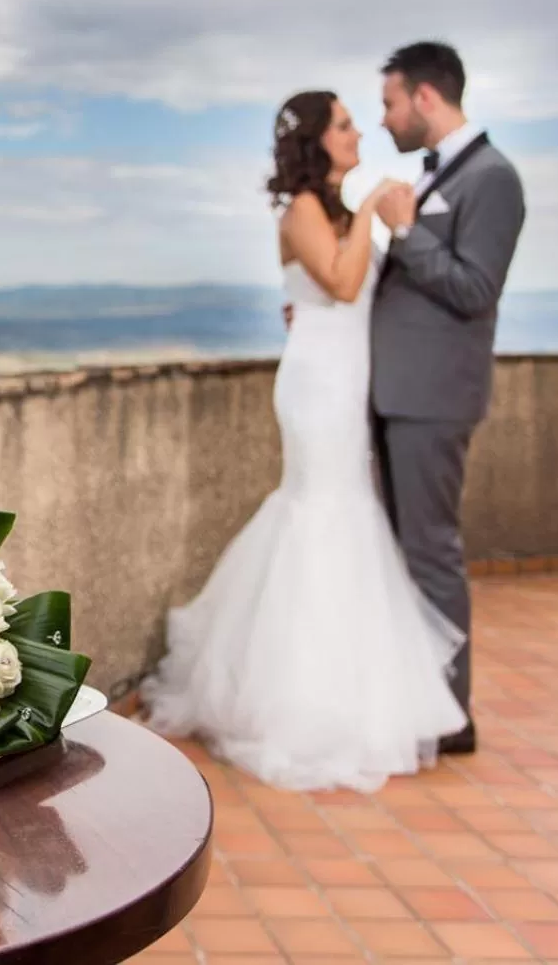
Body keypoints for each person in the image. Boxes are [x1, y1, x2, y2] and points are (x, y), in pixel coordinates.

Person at [140, 87, 468, 794]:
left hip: (348, 379)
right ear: (316, 139)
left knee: (346, 511)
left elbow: (350, 291)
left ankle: (347, 690)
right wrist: (377, 203)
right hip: (319, 385)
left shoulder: (336, 209)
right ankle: (297, 699)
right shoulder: (303, 208)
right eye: (345, 125)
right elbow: (344, 285)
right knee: (320, 510)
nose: (358, 134)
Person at [371, 41, 527, 754]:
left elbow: (474, 289)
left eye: (390, 103)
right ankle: (419, 700)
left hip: (433, 398)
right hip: (401, 393)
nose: (385, 119)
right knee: (409, 554)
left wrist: (405, 231)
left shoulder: (493, 178)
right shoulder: (441, 173)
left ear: (425, 97)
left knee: (431, 553)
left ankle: (451, 717)